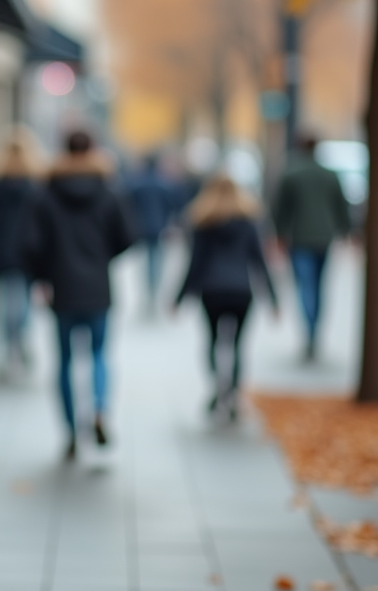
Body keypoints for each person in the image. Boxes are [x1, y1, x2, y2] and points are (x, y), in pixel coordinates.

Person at [24, 129, 134, 458]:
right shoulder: (108, 190)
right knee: (99, 354)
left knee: (65, 362)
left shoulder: (46, 192)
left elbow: (31, 243)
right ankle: (99, 408)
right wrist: (102, 258)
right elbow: (128, 236)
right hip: (98, 287)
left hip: (62, 288)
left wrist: (42, 277)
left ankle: (71, 431)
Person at [175, 174, 278, 421]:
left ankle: (217, 386)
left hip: (211, 290)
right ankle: (232, 392)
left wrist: (180, 297)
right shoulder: (249, 221)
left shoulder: (203, 222)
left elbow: (195, 263)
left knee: (212, 341)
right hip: (242, 290)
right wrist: (273, 299)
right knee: (238, 345)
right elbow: (259, 262)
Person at [0, 127, 45, 380]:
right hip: (29, 253)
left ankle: (5, 352)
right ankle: (19, 341)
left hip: (3, 251)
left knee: (3, 305)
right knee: (23, 303)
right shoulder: (36, 185)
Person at [272, 132, 351, 360]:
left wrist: (279, 235)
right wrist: (346, 231)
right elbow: (341, 205)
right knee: (319, 287)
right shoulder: (330, 175)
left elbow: (279, 209)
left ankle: (310, 333)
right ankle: (314, 332)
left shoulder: (291, 174)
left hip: (299, 238)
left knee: (306, 286)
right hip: (325, 237)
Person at [127, 152, 180, 310]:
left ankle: (147, 291)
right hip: (159, 228)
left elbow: (130, 206)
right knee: (157, 260)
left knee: (143, 262)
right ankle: (154, 290)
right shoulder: (164, 186)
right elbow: (170, 207)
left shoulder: (137, 185)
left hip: (141, 228)